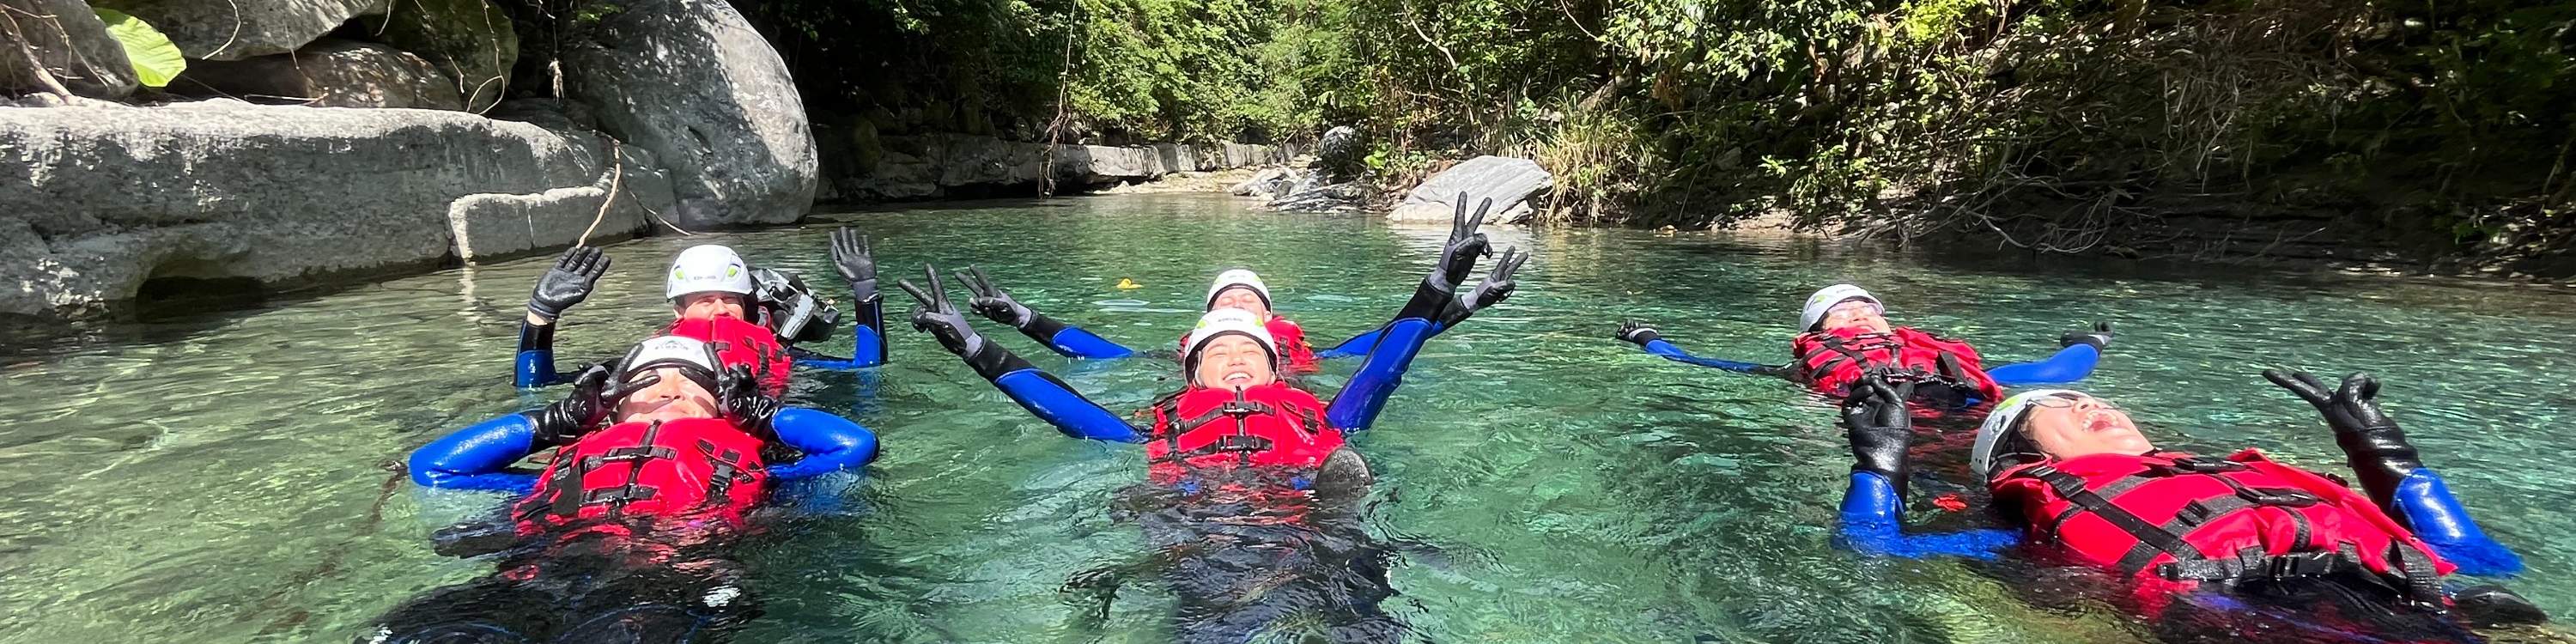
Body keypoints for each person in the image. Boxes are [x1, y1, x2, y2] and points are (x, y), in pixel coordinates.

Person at [896, 202, 1526, 642]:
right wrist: (977, 348)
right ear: (1190, 372)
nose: (1233, 356)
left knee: (1352, 575)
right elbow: (1072, 409)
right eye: (1217, 350)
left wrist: (1442, 284)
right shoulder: (1161, 426)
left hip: (1310, 517)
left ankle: (1346, 541)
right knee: (1198, 588)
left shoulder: (1323, 414)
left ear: (1277, 369)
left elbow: (1383, 365)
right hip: (1200, 524)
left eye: (1250, 349)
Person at [1831, 370, 2543, 633]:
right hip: (2249, 622)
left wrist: (2384, 456)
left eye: (2093, 395)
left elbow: (2477, 561)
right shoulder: (2034, 525)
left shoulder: (2227, 476)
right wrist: (1879, 467)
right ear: (2027, 456)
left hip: (2450, 611)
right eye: (2063, 404)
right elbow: (1872, 556)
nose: (2091, 403)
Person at [378, 336, 878, 643]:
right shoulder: (562, 467)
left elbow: (852, 447)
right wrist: (556, 422)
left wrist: (762, 416)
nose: (670, 389)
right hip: (536, 569)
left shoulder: (764, 471)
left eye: (693, 382)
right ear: (612, 410)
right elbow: (432, 469)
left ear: (726, 409)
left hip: (677, 571)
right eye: (647, 381)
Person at [951, 195, 1510, 371]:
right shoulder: (1192, 358)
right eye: (1226, 300)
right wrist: (1024, 318)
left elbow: (1391, 342)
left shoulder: (1303, 356)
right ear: (1205, 321)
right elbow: (1102, 354)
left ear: (1270, 318)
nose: (1238, 302)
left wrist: (1468, 299)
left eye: (1250, 299)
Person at [1613, 283, 2110, 407]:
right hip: (1876, 419)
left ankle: (2091, 338)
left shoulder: (1942, 361)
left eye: (1869, 307)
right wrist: (1649, 339)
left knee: (2053, 381)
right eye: (1843, 310)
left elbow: (2054, 373)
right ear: (1819, 332)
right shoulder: (1805, 371)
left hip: (1959, 403)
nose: (1860, 313)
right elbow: (1703, 363)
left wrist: (2090, 343)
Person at [512, 228, 888, 390]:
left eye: (731, 300)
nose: (721, 310)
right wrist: (541, 316)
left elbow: (866, 369)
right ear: (679, 311)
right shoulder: (651, 355)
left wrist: (865, 293)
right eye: (705, 301)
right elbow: (537, 386)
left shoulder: (780, 354)